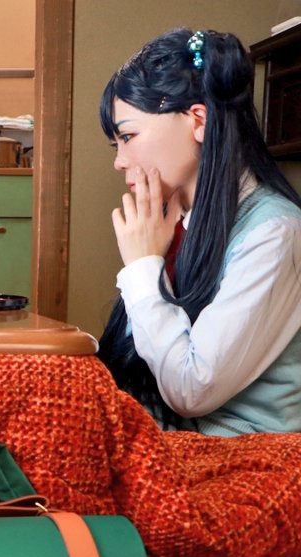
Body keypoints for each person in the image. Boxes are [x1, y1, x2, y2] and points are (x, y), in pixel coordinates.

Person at [97, 28, 301, 436]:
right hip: (173, 436)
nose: (120, 161)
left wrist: (143, 269)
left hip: (241, 450)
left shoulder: (275, 231)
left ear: (198, 120)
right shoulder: (176, 220)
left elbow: (191, 389)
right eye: (116, 144)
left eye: (129, 136)